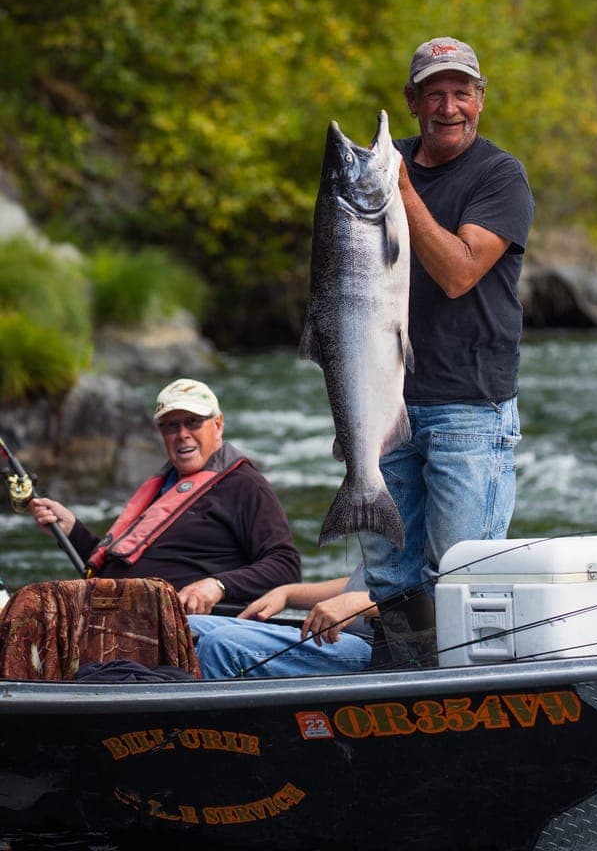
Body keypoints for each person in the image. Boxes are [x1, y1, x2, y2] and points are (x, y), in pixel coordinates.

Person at [358, 37, 535, 669]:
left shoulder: (499, 176)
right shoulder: (379, 166)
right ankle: (401, 687)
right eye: (434, 92)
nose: (449, 105)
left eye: (462, 91)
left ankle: (465, 695)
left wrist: (402, 192)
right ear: (412, 102)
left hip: (470, 406)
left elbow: (459, 272)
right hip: (382, 403)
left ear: (480, 100)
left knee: (460, 575)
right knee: (390, 578)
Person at [29, 377, 302, 614]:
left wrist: (218, 585)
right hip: (114, 611)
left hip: (178, 630)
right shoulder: (163, 486)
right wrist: (72, 530)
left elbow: (285, 567)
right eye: (171, 426)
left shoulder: (246, 486)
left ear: (218, 425)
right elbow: (119, 567)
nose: (182, 434)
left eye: (193, 422)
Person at [188, 561, 373, 678]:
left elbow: (400, 595)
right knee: (187, 625)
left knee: (223, 644)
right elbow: (361, 582)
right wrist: (288, 593)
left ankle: (204, 734)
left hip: (380, 650)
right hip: (338, 634)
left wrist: (362, 602)